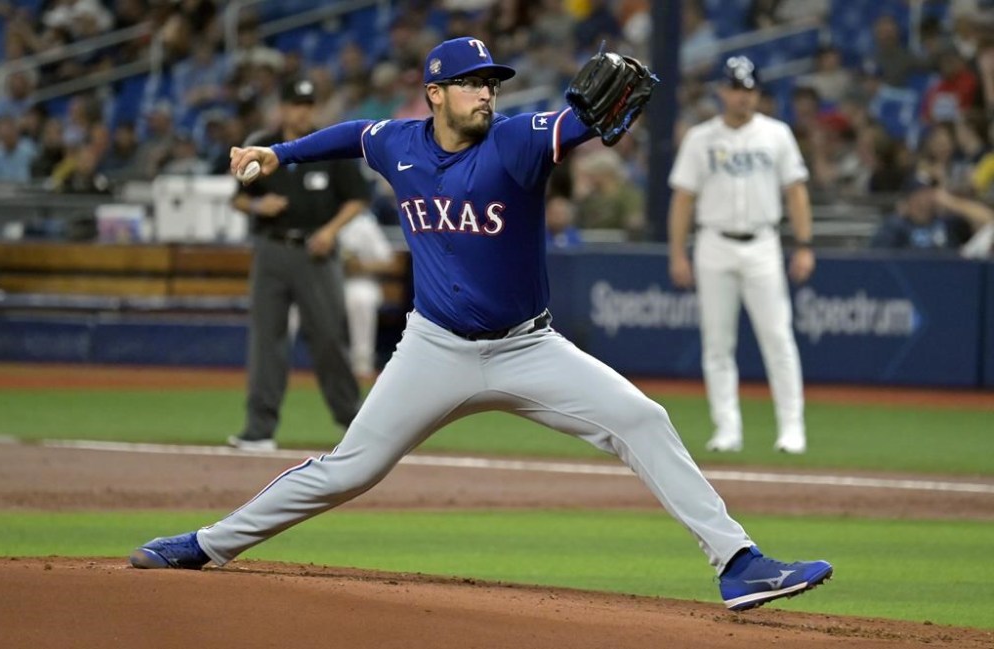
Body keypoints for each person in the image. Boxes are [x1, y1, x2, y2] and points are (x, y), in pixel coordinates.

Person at [129, 37, 833, 612]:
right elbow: (351, 136)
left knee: (642, 418)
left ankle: (739, 563)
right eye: (470, 82)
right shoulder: (398, 143)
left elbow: (574, 124)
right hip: (433, 348)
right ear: (434, 93)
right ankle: (208, 542)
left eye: (491, 82)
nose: (486, 93)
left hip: (530, 347)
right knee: (350, 468)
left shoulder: (518, 141)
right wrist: (279, 153)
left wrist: (593, 117)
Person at [667, 55, 815, 455]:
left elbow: (796, 191)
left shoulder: (777, 134)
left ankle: (791, 429)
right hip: (713, 242)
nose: (743, 97)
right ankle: (727, 429)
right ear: (721, 91)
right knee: (717, 344)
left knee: (778, 338)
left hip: (763, 242)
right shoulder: (701, 138)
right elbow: (683, 198)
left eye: (749, 90)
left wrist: (804, 244)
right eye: (736, 88)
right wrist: (677, 252)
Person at [226, 78, 368, 452]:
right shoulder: (264, 143)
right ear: (283, 108)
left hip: (315, 252)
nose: (303, 111)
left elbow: (358, 198)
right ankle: (259, 429)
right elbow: (238, 198)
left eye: (308, 104)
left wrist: (331, 231)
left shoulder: (326, 146)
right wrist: (258, 206)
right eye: (296, 104)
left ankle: (358, 427)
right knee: (266, 340)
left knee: (329, 340)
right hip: (272, 249)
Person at [337, 208, 396, 380]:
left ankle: (362, 364)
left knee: (360, 298)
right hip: (324, 282)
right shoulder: (317, 218)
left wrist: (361, 266)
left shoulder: (363, 223)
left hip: (359, 280)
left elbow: (389, 261)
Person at [870, 171, 994, 251]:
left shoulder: (946, 222)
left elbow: (989, 221)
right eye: (923, 192)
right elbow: (879, 262)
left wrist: (952, 202)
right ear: (911, 197)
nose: (930, 196)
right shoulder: (896, 226)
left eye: (931, 191)